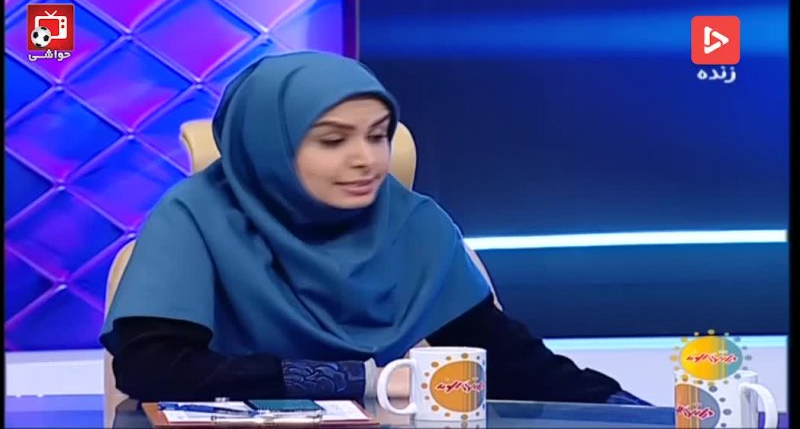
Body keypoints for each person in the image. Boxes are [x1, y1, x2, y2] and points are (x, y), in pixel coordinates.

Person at [100, 51, 649, 406]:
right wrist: (363, 379)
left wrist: (634, 411)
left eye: (379, 135)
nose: (367, 159)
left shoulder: (413, 223)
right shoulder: (192, 218)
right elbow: (154, 368)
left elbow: (510, 363)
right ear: (268, 145)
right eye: (333, 140)